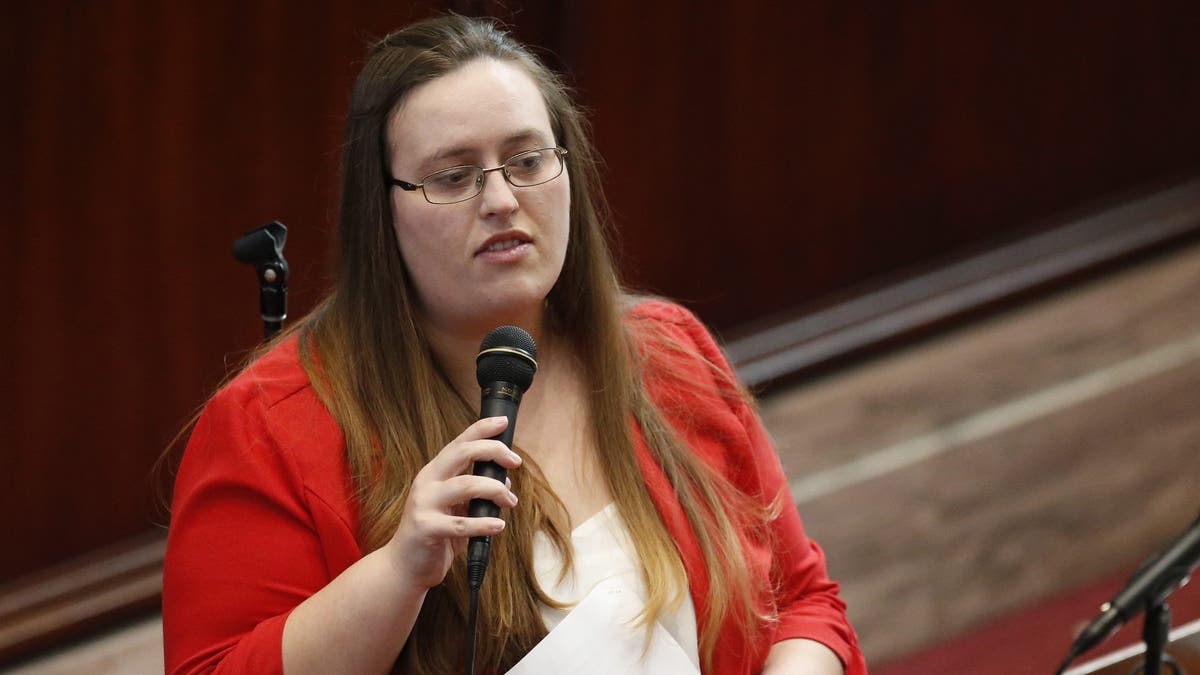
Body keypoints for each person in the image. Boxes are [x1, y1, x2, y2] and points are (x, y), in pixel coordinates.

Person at [163, 13, 866, 675]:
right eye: (454, 176)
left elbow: (804, 603)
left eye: (527, 160)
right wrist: (399, 570)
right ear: (382, 211)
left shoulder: (668, 352)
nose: (500, 199)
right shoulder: (269, 426)